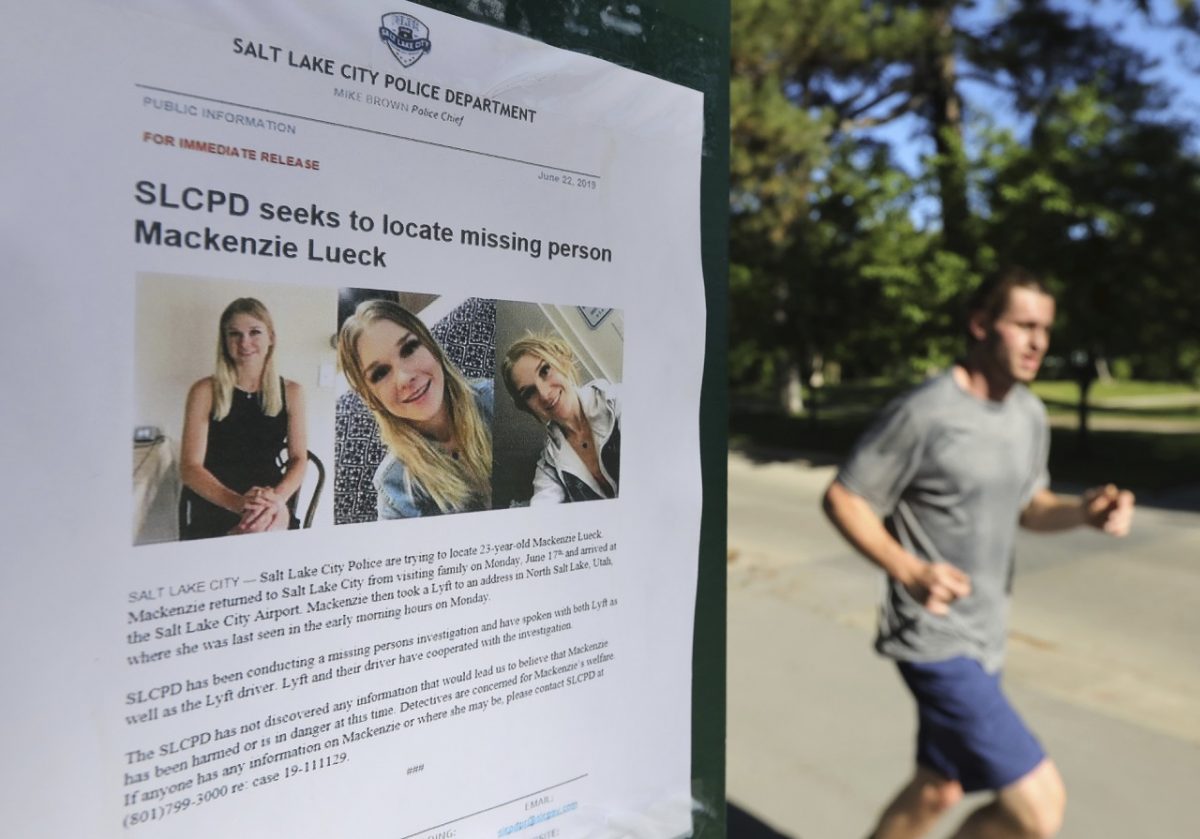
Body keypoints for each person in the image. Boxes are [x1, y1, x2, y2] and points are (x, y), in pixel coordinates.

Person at [822, 268, 1135, 839]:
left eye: (1045, 329)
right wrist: (909, 569)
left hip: (987, 635)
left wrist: (1083, 513)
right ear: (981, 325)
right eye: (1024, 325)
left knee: (937, 789)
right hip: (935, 640)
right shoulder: (926, 412)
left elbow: (1031, 506)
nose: (1039, 342)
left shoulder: (1028, 413)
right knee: (1038, 809)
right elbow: (845, 497)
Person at [338, 299, 493, 518]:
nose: (404, 378)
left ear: (431, 346)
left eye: (409, 349)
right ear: (371, 398)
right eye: (380, 373)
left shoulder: (495, 398)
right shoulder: (394, 490)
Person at [179, 298, 307, 539]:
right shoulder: (204, 391)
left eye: (254, 332)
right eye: (234, 334)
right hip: (216, 498)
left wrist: (276, 499)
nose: (244, 342)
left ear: (271, 337)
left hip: (270, 498)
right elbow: (190, 468)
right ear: (225, 341)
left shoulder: (292, 392)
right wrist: (238, 503)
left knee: (269, 535)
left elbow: (299, 458)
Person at [501, 334, 620, 504]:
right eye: (529, 392)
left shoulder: (618, 403)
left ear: (561, 361)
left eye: (545, 371)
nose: (544, 394)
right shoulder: (549, 467)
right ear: (527, 407)